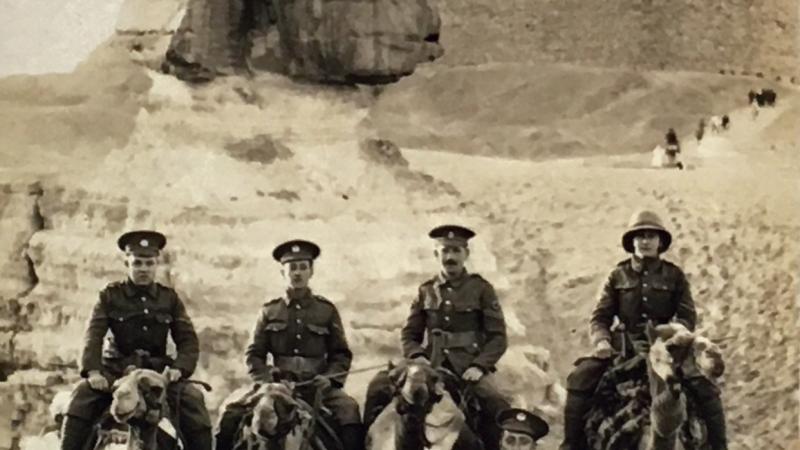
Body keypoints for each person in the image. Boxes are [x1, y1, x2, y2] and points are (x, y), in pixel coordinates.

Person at [559, 210, 727, 450]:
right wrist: (602, 342)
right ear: (632, 241)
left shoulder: (674, 275)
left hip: (667, 348)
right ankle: (570, 445)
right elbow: (600, 317)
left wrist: (678, 332)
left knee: (706, 389)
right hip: (623, 351)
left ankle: (720, 446)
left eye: (651, 236)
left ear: (660, 242)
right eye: (640, 236)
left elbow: (687, 315)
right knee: (580, 378)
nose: (645, 241)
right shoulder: (618, 275)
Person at [60, 230, 212, 450]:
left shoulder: (169, 298)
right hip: (116, 371)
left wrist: (180, 369)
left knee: (193, 402)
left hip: (157, 374)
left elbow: (188, 341)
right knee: (81, 399)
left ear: (156, 264)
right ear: (127, 263)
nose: (143, 269)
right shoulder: (110, 295)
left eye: (149, 263)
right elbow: (93, 335)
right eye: (137, 263)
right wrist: (93, 372)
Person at [364, 225, 510, 450]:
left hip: (467, 368)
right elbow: (410, 334)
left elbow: (498, 337)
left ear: (466, 254)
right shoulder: (426, 290)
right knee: (377, 387)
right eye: (444, 251)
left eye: (456, 251)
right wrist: (417, 355)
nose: (450, 257)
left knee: (496, 404)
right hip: (429, 367)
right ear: (436, 254)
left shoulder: (481, 289)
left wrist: (479, 366)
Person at [215, 239, 364, 450]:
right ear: (282, 272)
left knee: (349, 411)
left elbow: (341, 354)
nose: (297, 273)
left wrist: (329, 380)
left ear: (311, 272)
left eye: (303, 267)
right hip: (276, 385)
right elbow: (253, 354)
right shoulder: (270, 311)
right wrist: (267, 379)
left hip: (316, 386)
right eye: (292, 267)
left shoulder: (326, 310)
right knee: (229, 412)